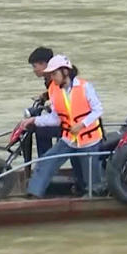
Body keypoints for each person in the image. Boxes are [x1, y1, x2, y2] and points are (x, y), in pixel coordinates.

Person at [21, 55, 105, 197]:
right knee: (46, 162)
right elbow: (55, 119)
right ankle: (34, 194)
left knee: (92, 181)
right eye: (51, 74)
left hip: (88, 141)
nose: (53, 78)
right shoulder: (55, 91)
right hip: (68, 140)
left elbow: (98, 110)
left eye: (55, 74)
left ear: (65, 72)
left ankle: (94, 194)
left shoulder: (85, 87)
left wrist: (81, 125)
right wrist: (34, 120)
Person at [19, 47, 61, 163]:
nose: (34, 70)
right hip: (62, 120)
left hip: (68, 124)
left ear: (44, 64)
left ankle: (45, 162)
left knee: (40, 130)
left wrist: (50, 107)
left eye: (35, 66)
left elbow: (61, 99)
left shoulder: (55, 81)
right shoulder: (50, 80)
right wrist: (44, 96)